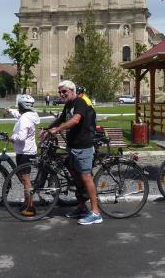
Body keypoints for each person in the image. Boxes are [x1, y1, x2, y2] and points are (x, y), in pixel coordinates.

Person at [46, 80, 102, 225]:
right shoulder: (68, 105)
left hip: (83, 146)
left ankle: (96, 213)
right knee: (76, 177)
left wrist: (57, 130)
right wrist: (48, 129)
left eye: (64, 91)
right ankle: (82, 207)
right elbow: (61, 119)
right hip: (73, 146)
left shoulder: (80, 102)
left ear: (72, 91)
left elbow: (76, 120)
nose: (61, 94)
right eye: (60, 92)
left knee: (86, 177)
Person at [5, 94, 41, 217]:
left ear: (22, 106)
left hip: (25, 152)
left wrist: (10, 138)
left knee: (25, 179)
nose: (18, 107)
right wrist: (10, 111)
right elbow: (19, 116)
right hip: (24, 151)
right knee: (24, 179)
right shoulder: (28, 116)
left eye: (19, 105)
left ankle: (31, 207)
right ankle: (26, 202)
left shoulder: (26, 119)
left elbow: (21, 137)